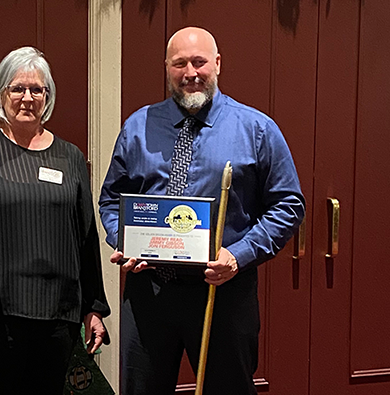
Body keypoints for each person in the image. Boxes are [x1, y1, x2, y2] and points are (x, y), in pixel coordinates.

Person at [99, 27, 305, 395]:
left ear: (218, 64)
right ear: (166, 67)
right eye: (180, 63)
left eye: (199, 62)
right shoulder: (137, 126)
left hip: (223, 292)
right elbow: (112, 199)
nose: (190, 72)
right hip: (150, 292)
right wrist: (126, 240)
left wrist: (238, 256)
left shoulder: (256, 129)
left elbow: (288, 205)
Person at [0, 46, 111, 394]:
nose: (27, 97)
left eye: (37, 89)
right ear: (1, 94)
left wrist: (94, 308)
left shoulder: (70, 157)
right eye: (17, 88)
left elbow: (85, 236)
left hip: (58, 317)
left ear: (47, 96)